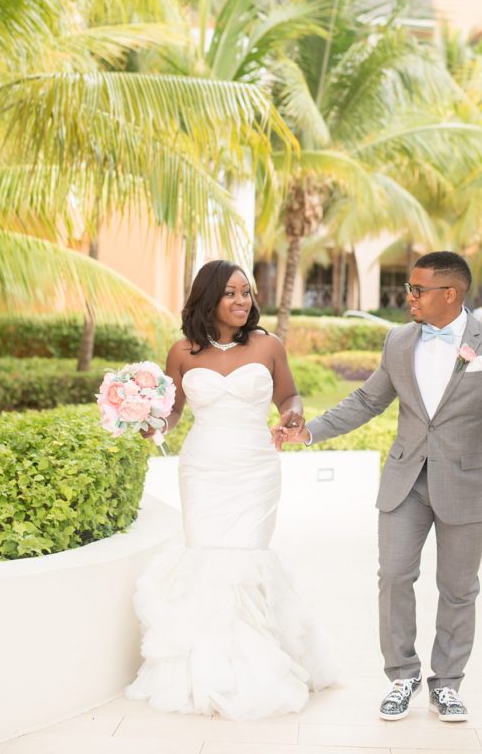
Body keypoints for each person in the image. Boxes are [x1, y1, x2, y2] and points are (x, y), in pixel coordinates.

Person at [279, 251, 482, 724]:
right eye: (409, 289)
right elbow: (366, 400)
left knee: (458, 589)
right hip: (405, 482)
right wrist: (308, 431)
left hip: (466, 483)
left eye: (417, 290)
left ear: (450, 294)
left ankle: (448, 684)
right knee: (393, 577)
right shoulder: (398, 341)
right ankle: (402, 676)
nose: (408, 297)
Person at [126, 260, 335, 719]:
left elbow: (289, 396)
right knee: (205, 556)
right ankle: (208, 669)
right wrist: (151, 421)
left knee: (245, 558)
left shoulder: (268, 345)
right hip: (202, 467)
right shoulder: (182, 351)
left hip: (255, 468)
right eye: (232, 294)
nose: (243, 301)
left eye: (247, 293)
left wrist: (292, 415)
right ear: (209, 299)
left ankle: (258, 667)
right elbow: (175, 411)